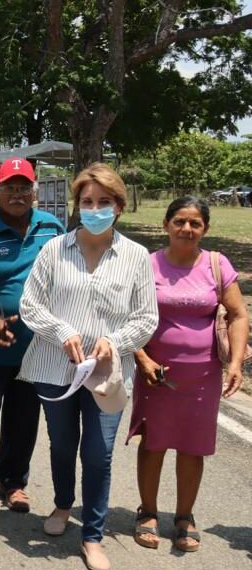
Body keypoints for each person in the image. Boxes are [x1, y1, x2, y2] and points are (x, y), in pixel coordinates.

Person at [19, 163, 158, 570]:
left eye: (104, 202)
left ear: (118, 206)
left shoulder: (135, 256)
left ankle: (93, 535)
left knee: (98, 454)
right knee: (61, 445)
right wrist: (61, 330)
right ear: (77, 205)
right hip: (53, 367)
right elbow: (31, 304)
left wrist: (115, 342)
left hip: (106, 376)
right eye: (87, 201)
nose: (94, 209)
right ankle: (63, 505)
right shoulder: (54, 249)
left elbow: (146, 317)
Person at [128, 197, 248, 552]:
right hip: (155, 373)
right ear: (166, 224)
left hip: (203, 376)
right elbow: (123, 315)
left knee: (193, 447)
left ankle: (185, 516)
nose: (187, 229)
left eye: (195, 223)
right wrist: (141, 357)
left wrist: (237, 363)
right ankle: (147, 511)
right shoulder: (146, 265)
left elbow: (238, 314)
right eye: (180, 221)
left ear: (205, 229)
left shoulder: (216, 264)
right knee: (153, 442)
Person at [0, 158, 64, 515]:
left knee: (24, 419)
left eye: (24, 187)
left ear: (35, 192)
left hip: (36, 346)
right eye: (10, 187)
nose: (17, 194)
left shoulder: (52, 228)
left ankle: (14, 482)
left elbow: (65, 278)